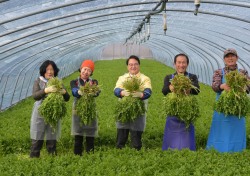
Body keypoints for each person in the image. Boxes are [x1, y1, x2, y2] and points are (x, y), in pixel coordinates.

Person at [206, 48, 250, 152]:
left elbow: (248, 86)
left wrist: (244, 88)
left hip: (237, 105)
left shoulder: (243, 72)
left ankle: (237, 149)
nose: (230, 58)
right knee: (221, 127)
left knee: (236, 127)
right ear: (224, 59)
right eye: (227, 56)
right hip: (223, 105)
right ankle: (217, 148)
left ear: (237, 58)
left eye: (232, 56)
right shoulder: (219, 72)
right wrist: (222, 86)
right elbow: (214, 86)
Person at [30, 60, 70, 158]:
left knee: (52, 136)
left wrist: (64, 92)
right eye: (47, 69)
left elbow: (67, 98)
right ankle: (34, 157)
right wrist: (45, 90)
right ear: (43, 71)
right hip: (40, 112)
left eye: (52, 69)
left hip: (54, 113)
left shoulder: (58, 82)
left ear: (55, 71)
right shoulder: (38, 81)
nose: (50, 72)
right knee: (37, 135)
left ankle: (51, 157)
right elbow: (35, 96)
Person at [162, 53, 200, 151]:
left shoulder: (192, 77)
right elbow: (164, 91)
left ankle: (188, 149)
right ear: (175, 64)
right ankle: (170, 148)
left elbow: (197, 90)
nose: (181, 65)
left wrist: (189, 90)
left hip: (187, 110)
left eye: (184, 62)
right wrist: (170, 88)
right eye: (179, 62)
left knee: (187, 131)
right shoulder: (169, 77)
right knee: (172, 133)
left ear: (187, 64)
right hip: (173, 109)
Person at [114, 55, 152, 150]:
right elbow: (116, 89)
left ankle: (136, 150)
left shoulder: (144, 78)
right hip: (124, 109)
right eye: (130, 64)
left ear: (139, 65)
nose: (133, 66)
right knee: (122, 130)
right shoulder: (123, 78)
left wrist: (141, 94)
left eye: (135, 64)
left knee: (136, 133)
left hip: (138, 109)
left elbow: (148, 91)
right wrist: (121, 92)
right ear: (127, 66)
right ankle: (119, 149)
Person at [70, 60, 100, 155]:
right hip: (78, 109)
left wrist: (94, 92)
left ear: (91, 73)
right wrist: (79, 92)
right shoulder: (74, 81)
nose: (86, 72)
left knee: (90, 132)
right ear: (81, 69)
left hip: (90, 109)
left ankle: (90, 154)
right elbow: (74, 91)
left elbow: (97, 92)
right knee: (78, 134)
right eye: (85, 69)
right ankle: (77, 155)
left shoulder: (93, 81)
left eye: (89, 70)